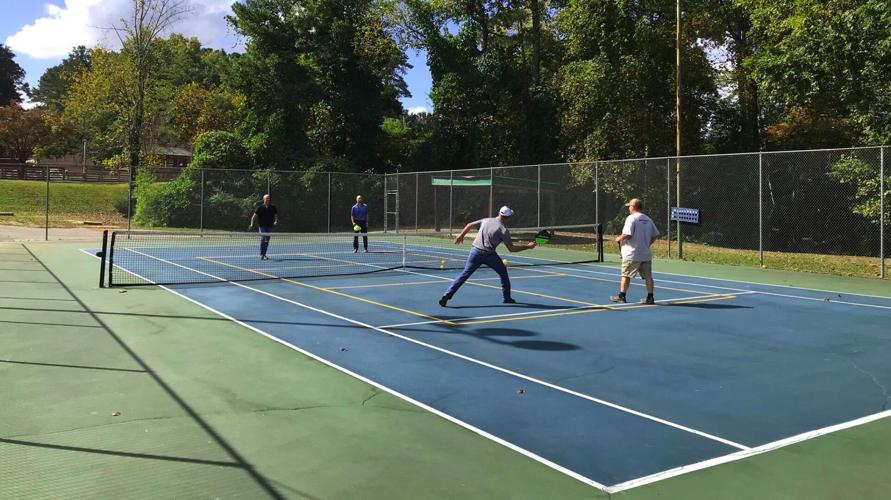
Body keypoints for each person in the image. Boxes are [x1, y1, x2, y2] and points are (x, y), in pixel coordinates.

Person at [439, 206, 536, 307]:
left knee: (464, 275)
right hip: (489, 255)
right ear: (508, 217)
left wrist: (461, 235)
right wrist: (527, 247)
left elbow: (469, 224)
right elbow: (511, 249)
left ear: (499, 213)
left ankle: (448, 294)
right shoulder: (503, 230)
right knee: (503, 272)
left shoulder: (486, 220)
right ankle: (507, 298)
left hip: (475, 252)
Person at [611, 198, 659, 304]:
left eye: (630, 206)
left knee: (626, 275)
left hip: (631, 254)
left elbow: (627, 234)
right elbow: (655, 235)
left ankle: (622, 296)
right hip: (645, 254)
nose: (629, 208)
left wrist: (618, 238)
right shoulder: (648, 219)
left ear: (633, 207)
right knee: (648, 277)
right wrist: (647, 244)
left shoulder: (631, 218)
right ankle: (650, 297)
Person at [248, 194, 278, 260]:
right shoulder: (260, 207)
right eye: (267, 198)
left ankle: (264, 254)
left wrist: (275, 221)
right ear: (263, 199)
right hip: (262, 226)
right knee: (263, 239)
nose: (268, 199)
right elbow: (253, 217)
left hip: (269, 226)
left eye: (269, 198)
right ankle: (262, 254)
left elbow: (275, 215)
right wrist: (252, 224)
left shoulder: (273, 207)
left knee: (267, 241)